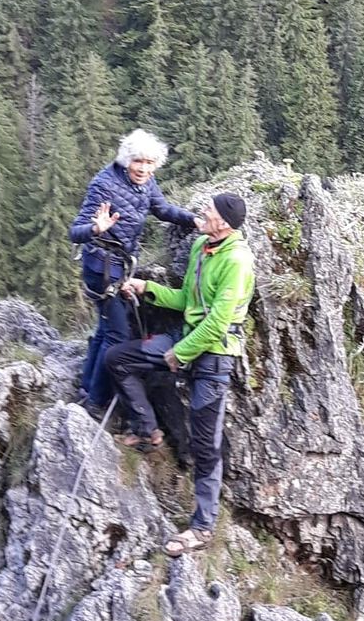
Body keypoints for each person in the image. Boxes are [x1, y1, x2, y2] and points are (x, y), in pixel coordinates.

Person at [105, 193, 255, 557]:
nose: (203, 212)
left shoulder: (237, 260)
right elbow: (188, 299)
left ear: (224, 222)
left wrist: (179, 353)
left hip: (214, 359)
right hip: (186, 340)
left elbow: (220, 321)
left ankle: (202, 527)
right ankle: (148, 430)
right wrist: (148, 289)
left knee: (205, 445)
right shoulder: (204, 246)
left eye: (210, 210)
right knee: (118, 359)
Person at [69, 129, 203, 414]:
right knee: (118, 336)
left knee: (106, 330)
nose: (143, 168)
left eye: (149, 163)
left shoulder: (147, 182)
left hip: (118, 266)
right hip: (102, 269)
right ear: (126, 160)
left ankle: (87, 387)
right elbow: (74, 232)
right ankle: (96, 403)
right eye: (137, 162)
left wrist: (194, 220)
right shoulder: (103, 185)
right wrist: (95, 228)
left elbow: (162, 209)